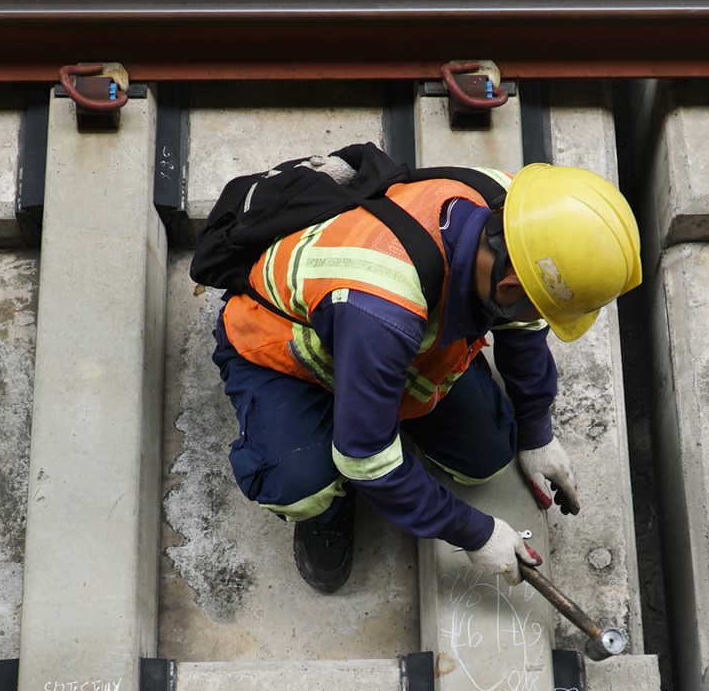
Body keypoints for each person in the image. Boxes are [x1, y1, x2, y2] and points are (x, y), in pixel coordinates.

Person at [212, 159, 640, 593]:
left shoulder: (521, 215)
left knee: (486, 457)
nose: (541, 317)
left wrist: (536, 431)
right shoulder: (382, 308)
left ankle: (393, 439)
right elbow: (365, 458)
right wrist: (475, 533)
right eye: (542, 306)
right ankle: (328, 506)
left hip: (381, 335)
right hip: (286, 351)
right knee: (302, 484)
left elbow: (525, 328)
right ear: (509, 289)